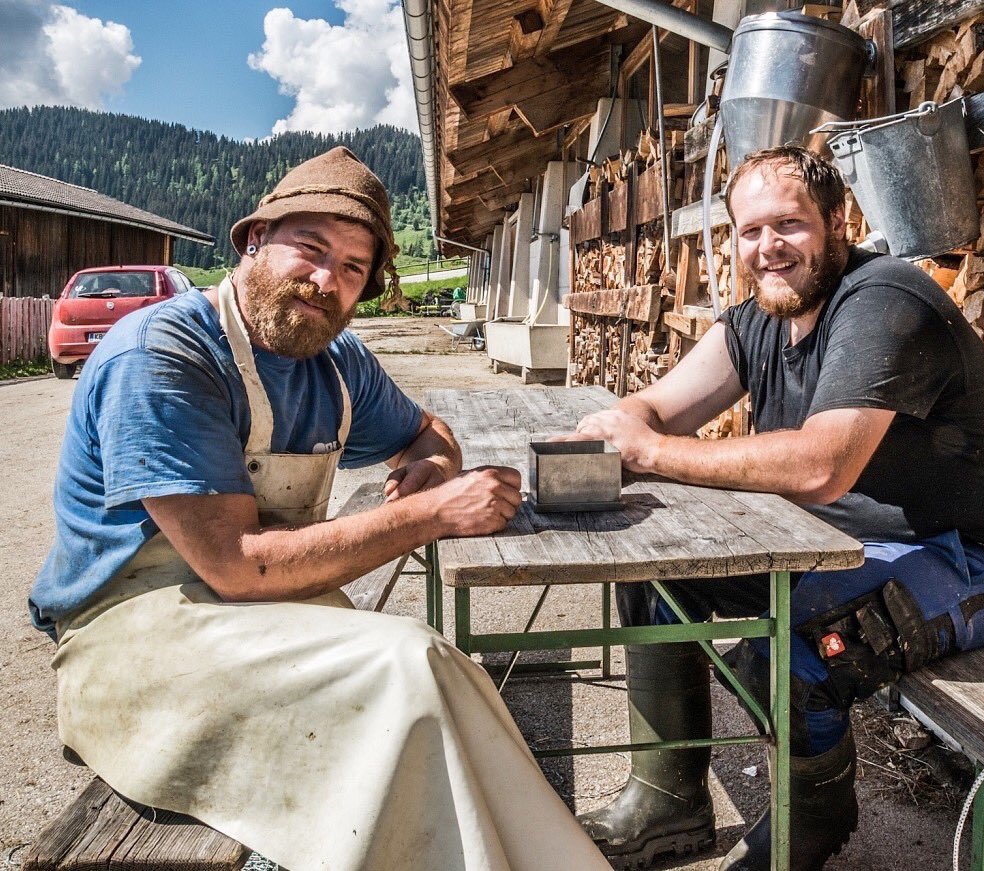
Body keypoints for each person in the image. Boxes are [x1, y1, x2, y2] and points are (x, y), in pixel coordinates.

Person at [30, 147, 610, 871]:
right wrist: (430, 514)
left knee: (442, 675)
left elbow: (428, 432)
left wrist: (429, 468)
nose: (325, 281)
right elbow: (237, 567)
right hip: (135, 643)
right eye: (310, 250)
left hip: (265, 619)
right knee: (407, 665)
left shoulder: (336, 361)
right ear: (252, 241)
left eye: (352, 268)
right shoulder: (162, 355)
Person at [570, 145, 984, 871]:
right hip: (831, 547)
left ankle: (808, 826)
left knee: (793, 650)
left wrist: (644, 451)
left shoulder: (882, 301)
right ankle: (665, 802)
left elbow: (820, 466)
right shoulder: (757, 320)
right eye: (749, 230)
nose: (767, 247)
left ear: (836, 221)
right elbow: (659, 405)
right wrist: (622, 424)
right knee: (654, 574)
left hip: (969, 557)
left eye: (788, 225)